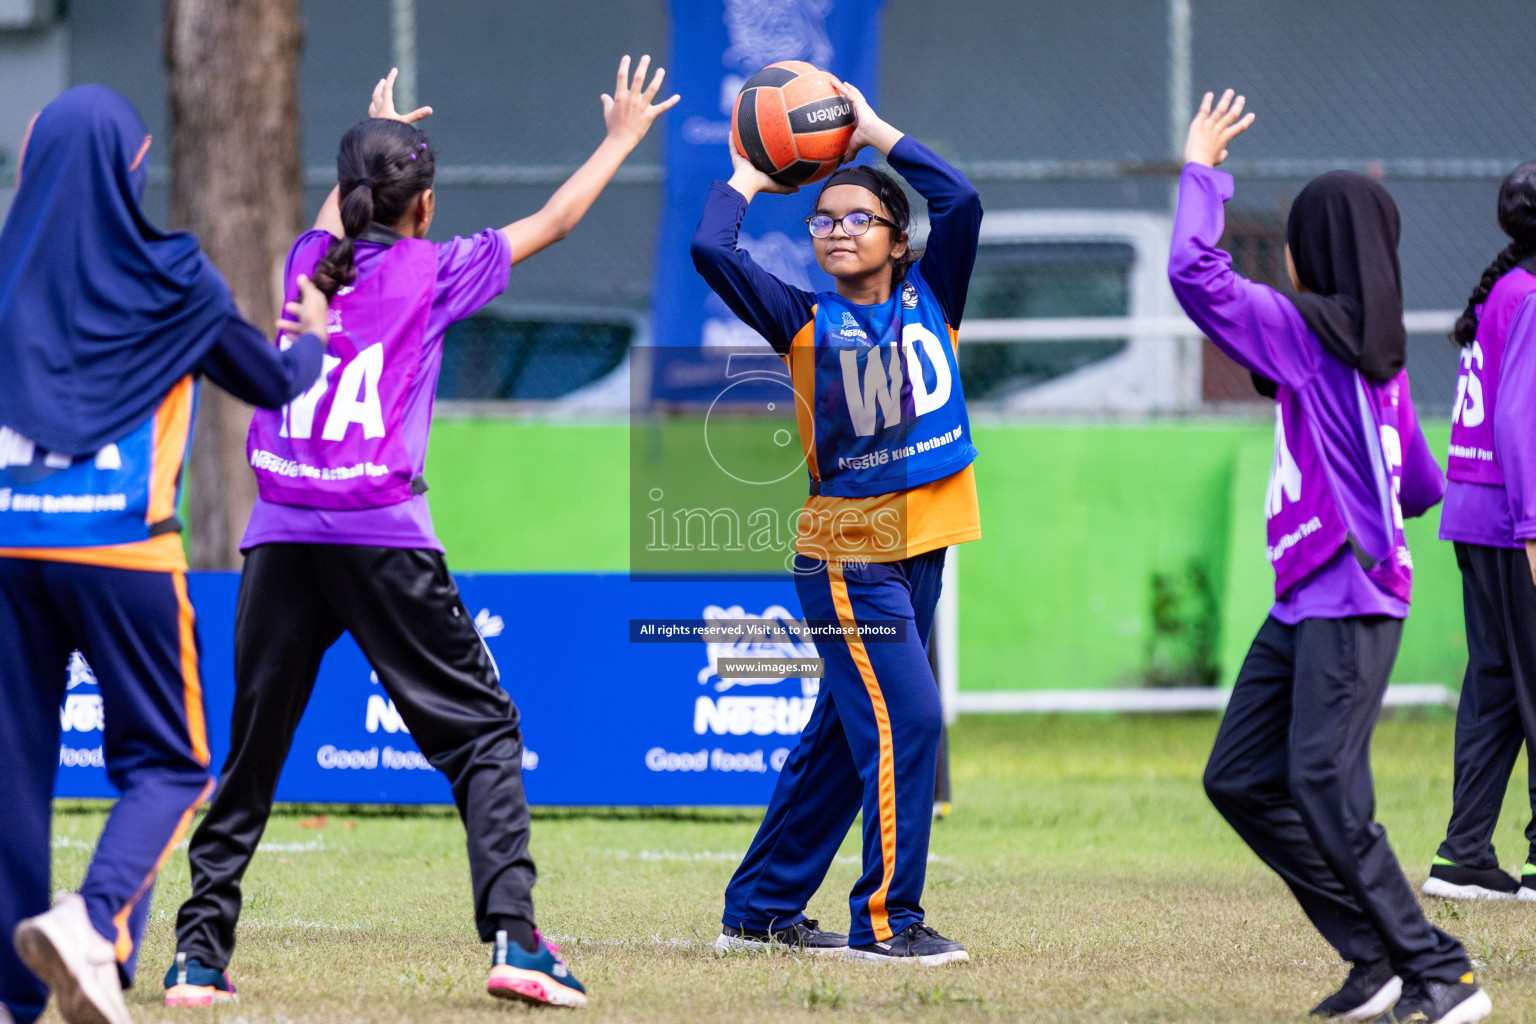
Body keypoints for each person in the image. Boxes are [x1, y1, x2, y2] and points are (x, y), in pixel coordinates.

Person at [161, 62, 677, 1011]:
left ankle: (197, 956)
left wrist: (371, 131)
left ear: (351, 196)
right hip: (379, 533)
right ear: (425, 206)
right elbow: (555, 222)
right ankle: (517, 939)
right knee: (483, 733)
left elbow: (335, 216)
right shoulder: (432, 269)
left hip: (280, 535)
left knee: (254, 750)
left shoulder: (305, 266)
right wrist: (618, 139)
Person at [0, 85, 328, 1024]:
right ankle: (95, 921)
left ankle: (18, 994)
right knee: (173, 765)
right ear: (130, 168)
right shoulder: (172, 278)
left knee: (12, 773)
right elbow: (270, 381)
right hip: (121, 551)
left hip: (7, 550)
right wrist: (308, 339)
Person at [1170, 90, 1491, 1024]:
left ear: (1319, 250)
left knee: (1319, 781)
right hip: (1313, 590)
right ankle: (1378, 960)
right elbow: (1422, 485)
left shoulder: (1310, 334)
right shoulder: (1371, 353)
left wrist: (1202, 168)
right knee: (1240, 776)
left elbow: (1196, 271)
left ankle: (1442, 971)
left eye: (1297, 240)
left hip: (1348, 591)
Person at [691, 82, 982, 965]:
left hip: (923, 546)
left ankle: (760, 909)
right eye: (822, 220)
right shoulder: (802, 318)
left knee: (835, 740)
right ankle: (887, 922)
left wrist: (873, 130)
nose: (836, 230)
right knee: (912, 723)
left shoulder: (936, 295)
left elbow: (959, 198)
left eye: (858, 218)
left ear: (901, 241)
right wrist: (747, 175)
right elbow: (712, 244)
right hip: (848, 553)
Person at [1424, 161, 1536, 903]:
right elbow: (1519, 418)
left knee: (1496, 685)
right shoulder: (1531, 294)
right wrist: (1532, 526)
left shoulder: (1505, 286)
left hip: (1473, 510)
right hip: (1511, 518)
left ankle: (1464, 854)